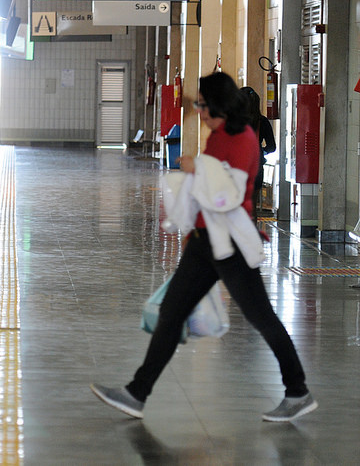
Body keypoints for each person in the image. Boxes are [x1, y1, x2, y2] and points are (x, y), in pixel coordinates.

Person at [90, 72, 317, 423]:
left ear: (218, 105)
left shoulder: (242, 139)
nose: (200, 111)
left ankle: (298, 390)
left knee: (261, 317)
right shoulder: (220, 134)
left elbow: (228, 193)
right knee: (171, 312)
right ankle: (136, 393)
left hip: (229, 244)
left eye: (203, 105)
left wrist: (199, 166)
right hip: (204, 240)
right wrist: (191, 227)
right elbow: (207, 188)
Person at [240, 86, 276, 218]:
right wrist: (261, 151)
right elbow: (272, 147)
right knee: (252, 208)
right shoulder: (263, 122)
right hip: (256, 168)